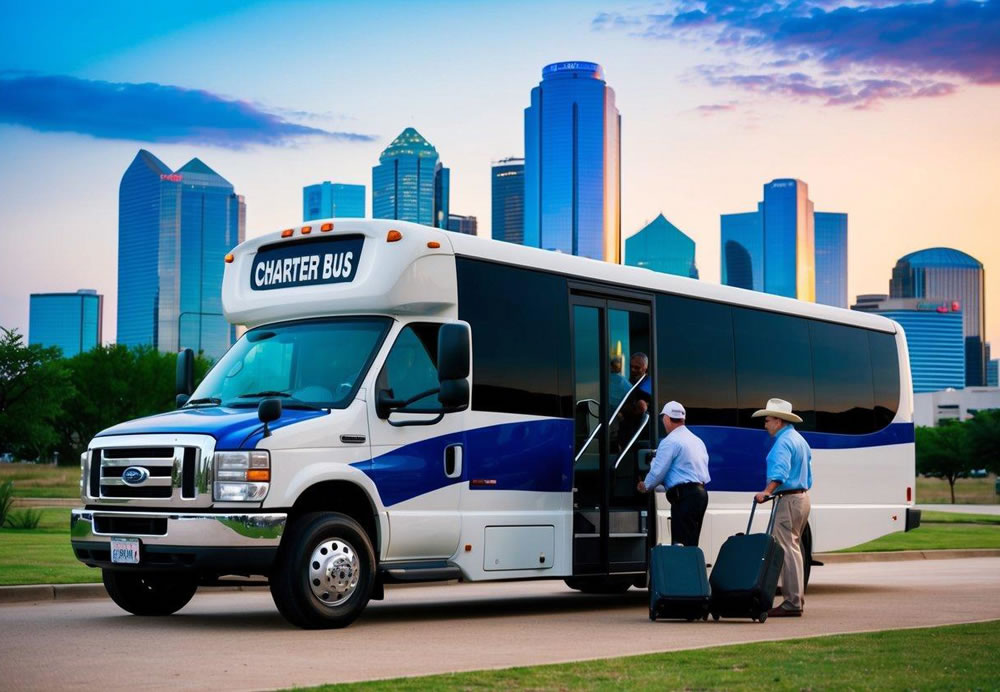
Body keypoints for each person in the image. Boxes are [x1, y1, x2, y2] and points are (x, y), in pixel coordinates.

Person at [752, 397, 813, 618]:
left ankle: (792, 602)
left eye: (767, 420)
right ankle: (794, 599)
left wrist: (766, 492)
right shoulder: (799, 439)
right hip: (802, 498)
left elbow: (780, 473)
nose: (765, 424)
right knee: (794, 548)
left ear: (778, 421)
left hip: (788, 500)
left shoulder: (783, 442)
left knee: (787, 549)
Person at [637, 401, 711, 547]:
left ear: (666, 418)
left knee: (680, 545)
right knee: (691, 543)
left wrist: (645, 486)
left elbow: (658, 471)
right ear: (683, 419)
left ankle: (684, 569)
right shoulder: (697, 441)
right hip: (700, 495)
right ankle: (691, 568)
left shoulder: (670, 441)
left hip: (684, 497)